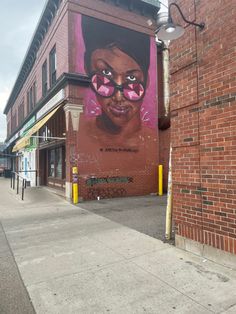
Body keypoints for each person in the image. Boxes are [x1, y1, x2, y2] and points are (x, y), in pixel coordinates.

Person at [77, 15, 158, 199]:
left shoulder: (153, 140)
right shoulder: (80, 131)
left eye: (132, 79)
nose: (119, 97)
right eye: (105, 75)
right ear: (87, 69)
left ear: (147, 79)